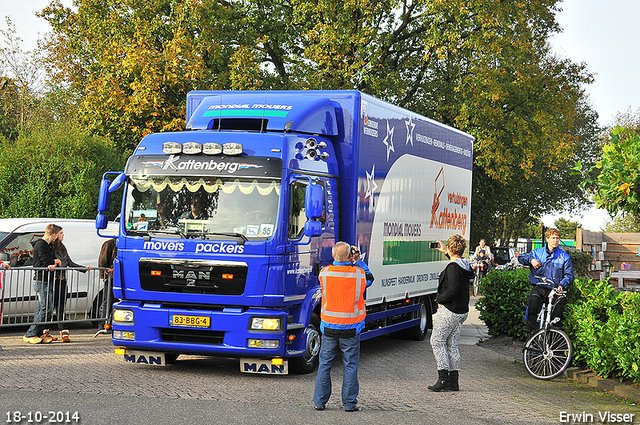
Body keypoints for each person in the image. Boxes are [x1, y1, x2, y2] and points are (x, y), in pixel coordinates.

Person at [313, 241, 373, 412]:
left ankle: (319, 402)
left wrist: (347, 259)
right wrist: (358, 259)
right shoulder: (358, 274)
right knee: (350, 365)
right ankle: (349, 404)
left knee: (325, 364)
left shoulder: (325, 273)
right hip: (351, 328)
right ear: (350, 256)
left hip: (329, 328)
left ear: (333, 256)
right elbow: (369, 278)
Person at [428, 234, 475, 392]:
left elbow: (452, 289)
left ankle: (443, 379)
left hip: (450, 310)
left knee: (437, 341)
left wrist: (439, 299)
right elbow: (456, 264)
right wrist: (446, 252)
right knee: (452, 345)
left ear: (450, 248)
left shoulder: (453, 267)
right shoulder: (464, 264)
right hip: (462, 311)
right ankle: (454, 381)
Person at [517, 228, 574, 334]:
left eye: (557, 238)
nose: (555, 240)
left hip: (555, 290)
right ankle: (532, 335)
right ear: (547, 239)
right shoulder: (537, 253)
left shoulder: (564, 257)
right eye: (553, 238)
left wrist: (562, 285)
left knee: (557, 317)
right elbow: (521, 258)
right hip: (539, 287)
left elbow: (569, 275)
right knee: (532, 307)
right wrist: (531, 260)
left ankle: (553, 341)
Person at [23, 224, 62, 344]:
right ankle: (30, 333)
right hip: (41, 280)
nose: (56, 239)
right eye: (58, 234)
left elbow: (49, 261)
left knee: (45, 308)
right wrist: (54, 262)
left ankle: (39, 332)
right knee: (45, 308)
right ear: (53, 234)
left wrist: (53, 262)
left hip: (47, 280)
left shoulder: (48, 245)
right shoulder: (41, 244)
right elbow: (46, 261)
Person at [53, 228, 93, 342]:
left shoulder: (62, 248)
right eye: (61, 233)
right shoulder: (50, 248)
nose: (63, 235)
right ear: (55, 235)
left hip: (62, 280)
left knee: (61, 307)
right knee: (49, 307)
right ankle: (44, 331)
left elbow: (70, 263)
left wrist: (84, 268)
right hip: (53, 280)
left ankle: (64, 332)